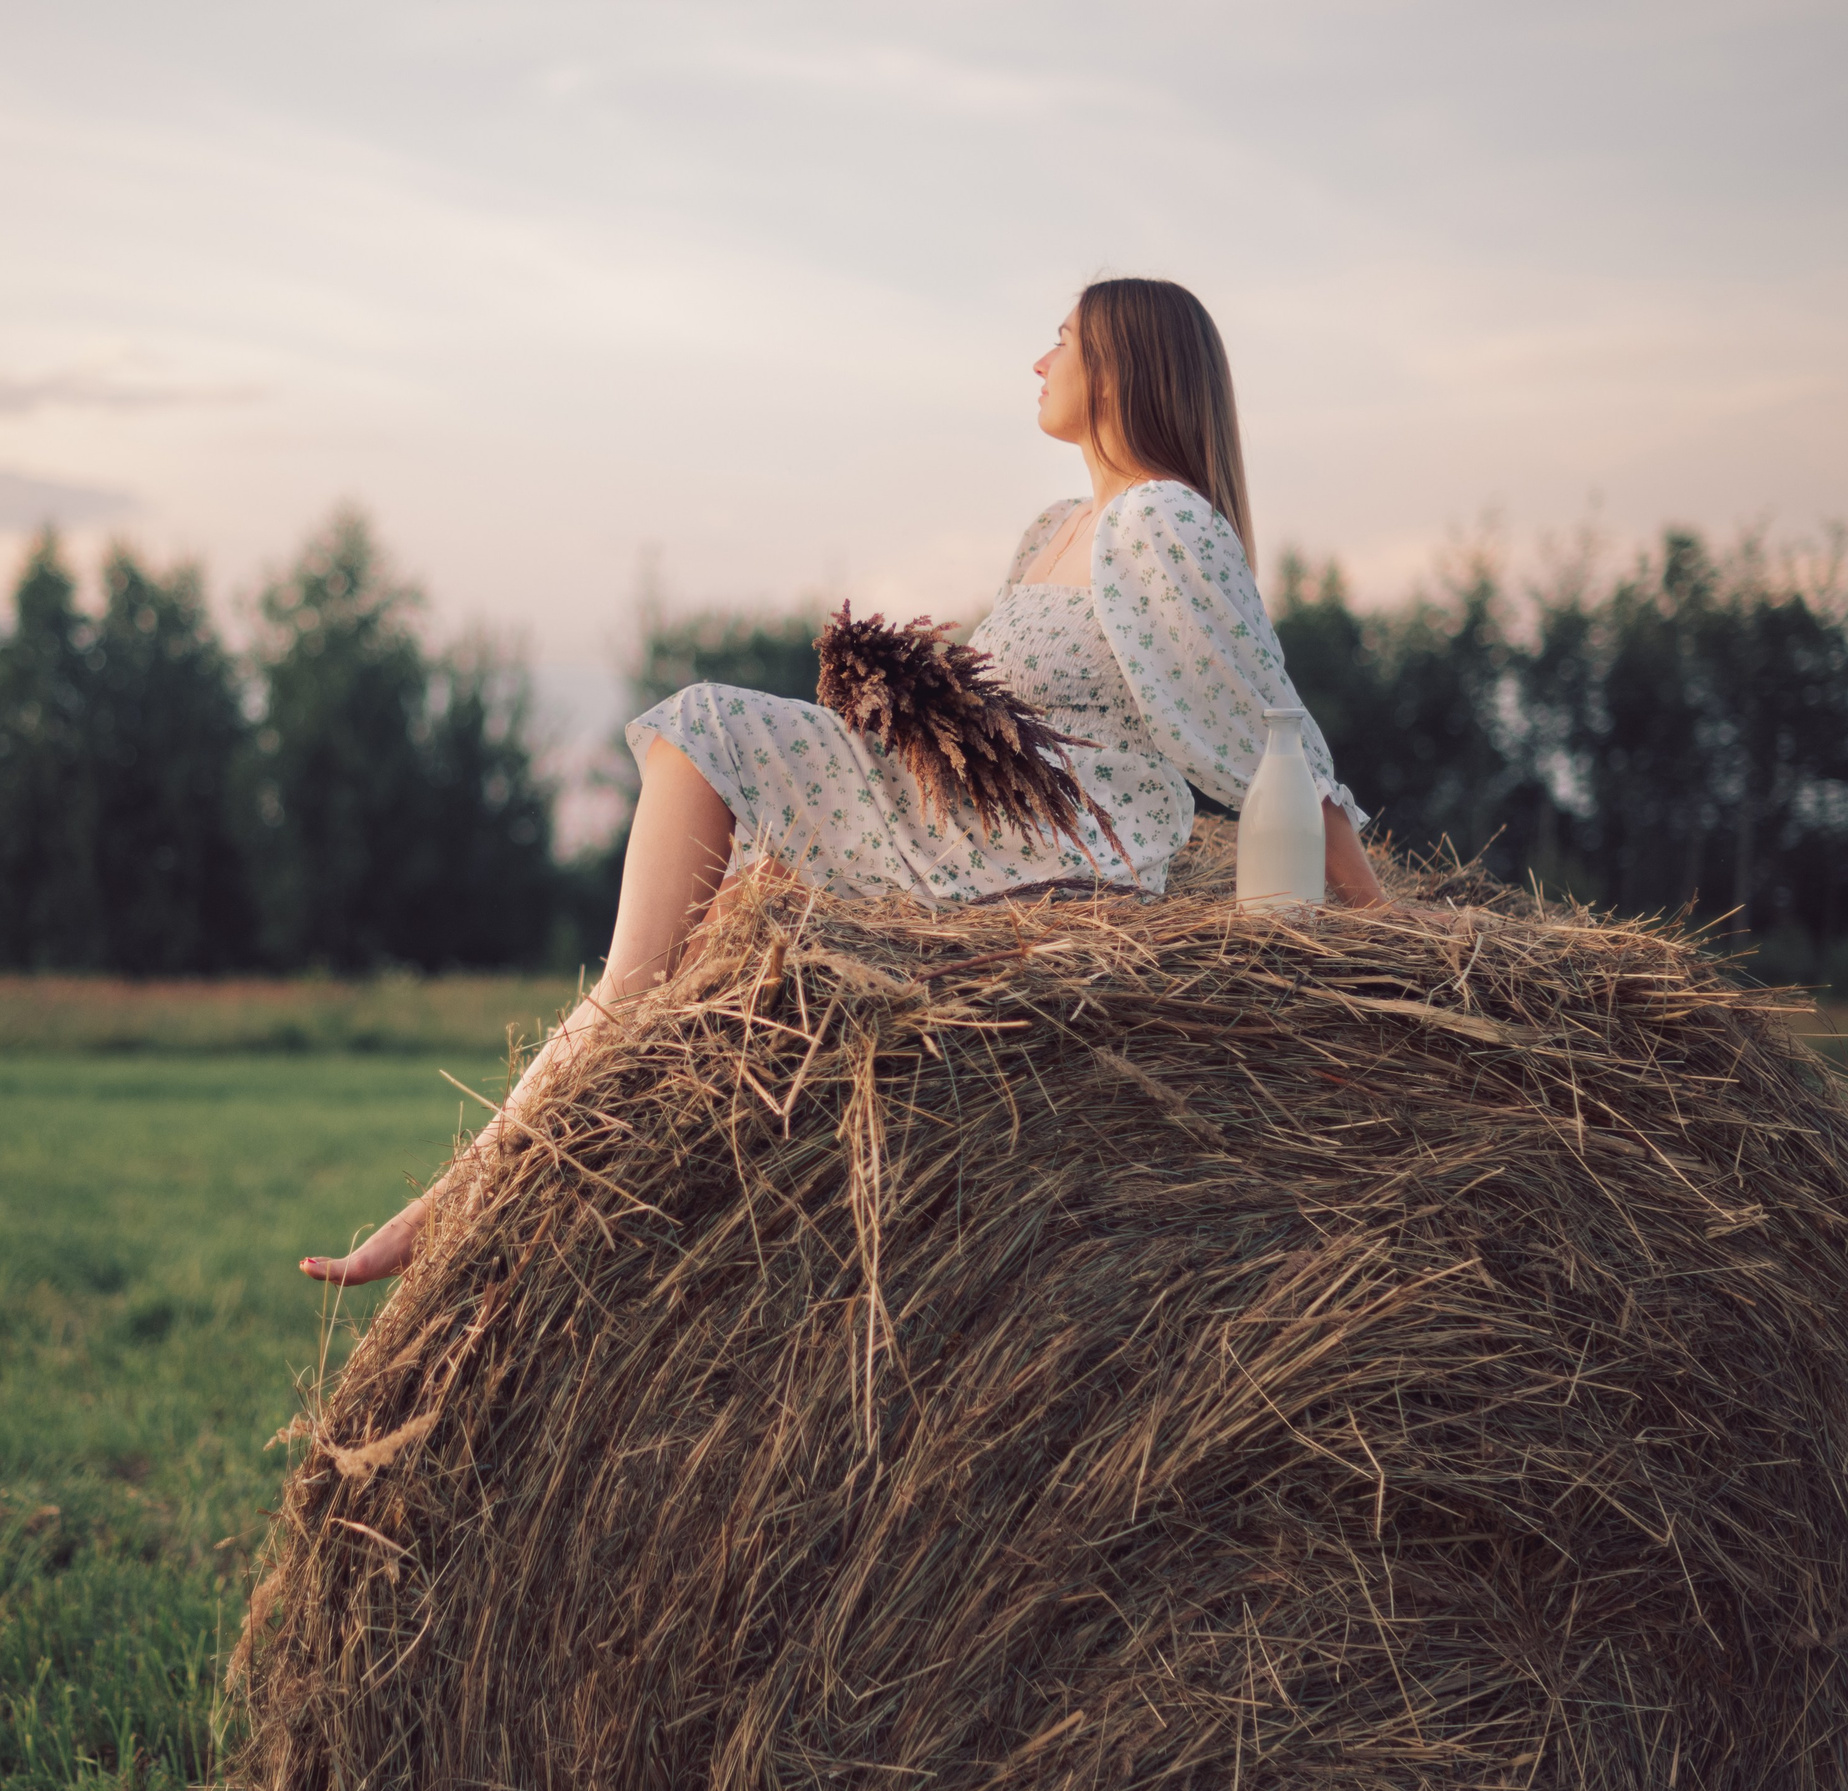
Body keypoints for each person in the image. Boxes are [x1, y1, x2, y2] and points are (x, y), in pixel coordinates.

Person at [302, 276, 1384, 1286]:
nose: (1039, 357)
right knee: (715, 884)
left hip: (1046, 859)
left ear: (1124, 363)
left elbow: (1260, 721)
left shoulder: (1163, 517)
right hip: (964, 824)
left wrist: (1386, 929)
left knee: (702, 733)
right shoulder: (1056, 531)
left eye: (1062, 337)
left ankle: (477, 1180)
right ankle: (524, 1152)